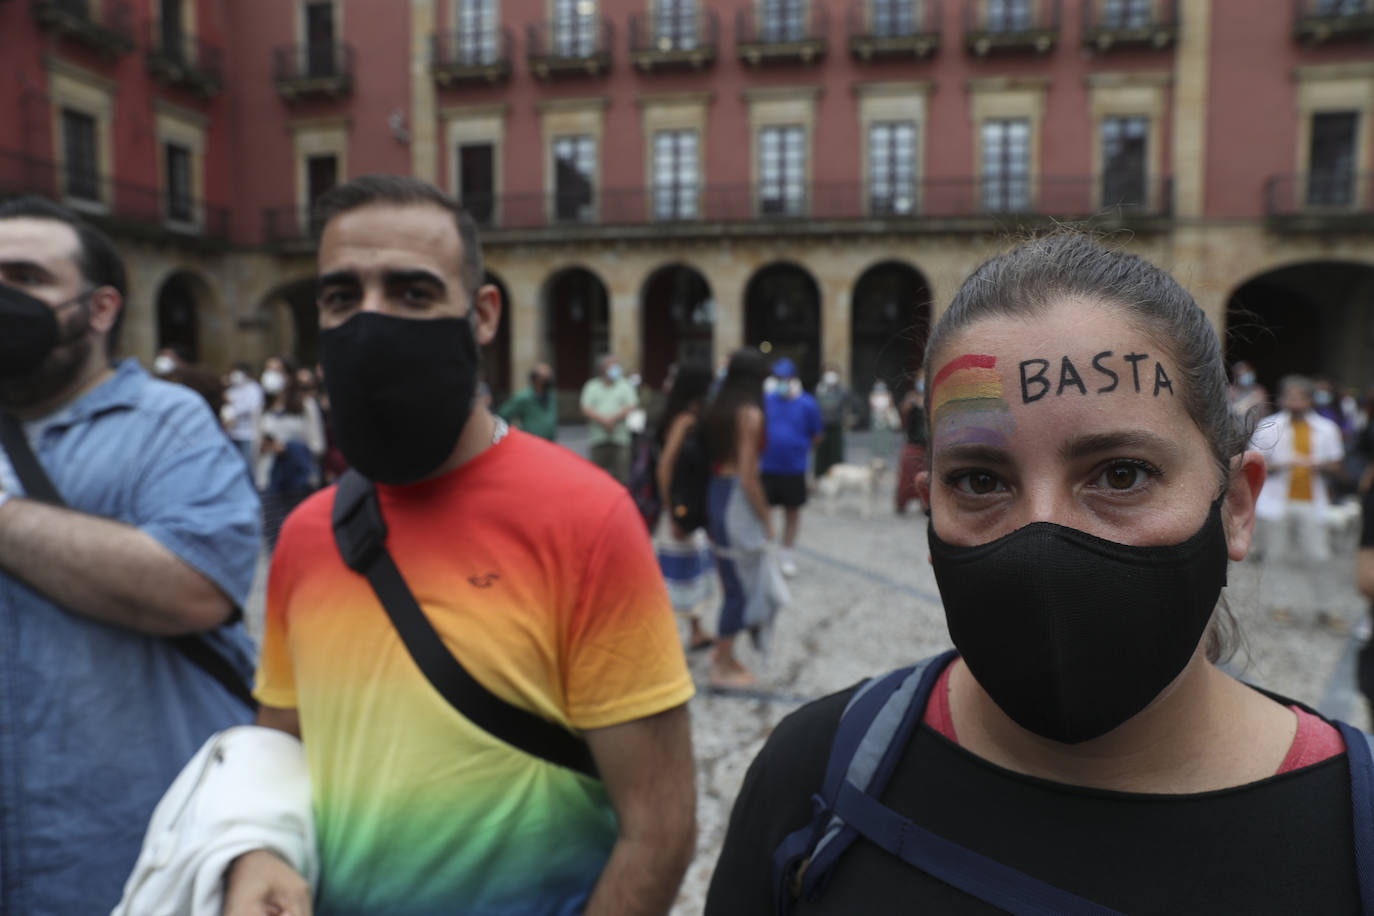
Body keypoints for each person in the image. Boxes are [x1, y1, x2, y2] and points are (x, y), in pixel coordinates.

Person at [707, 232, 1371, 914]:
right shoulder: (814, 775)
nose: (1043, 538)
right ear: (928, 501)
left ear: (1235, 505)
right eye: (979, 480)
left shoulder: (1358, 833)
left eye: (1121, 474)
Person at [224, 176, 696, 915]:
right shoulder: (305, 535)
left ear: (481, 315)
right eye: (342, 296)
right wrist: (256, 851)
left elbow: (659, 826)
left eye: (412, 293)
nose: (370, 320)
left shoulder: (588, 518)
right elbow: (280, 747)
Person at [0, 195, 260, 913]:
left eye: (25, 278)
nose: (4, 297)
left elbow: (194, 588)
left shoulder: (167, 425)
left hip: (131, 856)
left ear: (102, 307)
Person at [702, 349, 777, 690]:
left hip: (717, 492)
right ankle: (721, 665)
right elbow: (749, 475)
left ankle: (725, 654)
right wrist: (765, 516)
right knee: (740, 590)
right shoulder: (749, 413)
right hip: (735, 501)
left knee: (731, 581)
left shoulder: (719, 407)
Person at [1252, 375, 1346, 627]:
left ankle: (1327, 607)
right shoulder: (1269, 426)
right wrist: (1281, 465)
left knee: (1319, 555)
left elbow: (1337, 463)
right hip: (1276, 500)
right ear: (1282, 398)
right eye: (1290, 396)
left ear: (1309, 399)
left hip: (1311, 500)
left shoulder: (1326, 428)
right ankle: (1279, 603)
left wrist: (1318, 464)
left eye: (1300, 396)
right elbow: (1255, 463)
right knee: (1276, 554)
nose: (1295, 401)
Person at [654, 362, 716, 653]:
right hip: (678, 511)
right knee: (673, 574)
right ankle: (664, 639)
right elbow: (665, 466)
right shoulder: (684, 421)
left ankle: (695, 630)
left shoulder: (685, 416)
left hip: (686, 509)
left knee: (692, 570)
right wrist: (672, 509)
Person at [760, 357, 822, 578]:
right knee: (763, 509)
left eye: (783, 378)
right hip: (767, 466)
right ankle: (765, 553)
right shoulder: (766, 399)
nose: (780, 381)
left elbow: (817, 434)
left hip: (794, 468)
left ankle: (787, 554)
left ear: (793, 378)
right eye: (777, 378)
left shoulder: (807, 403)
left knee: (792, 512)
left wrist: (800, 448)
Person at [256, 357, 326, 550]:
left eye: (277, 370)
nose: (271, 375)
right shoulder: (263, 408)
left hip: (298, 479)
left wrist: (289, 448)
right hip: (269, 478)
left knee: (300, 537)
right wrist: (264, 446)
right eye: (267, 370)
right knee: (274, 538)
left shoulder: (306, 406)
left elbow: (317, 445)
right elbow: (255, 446)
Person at [581, 354, 639, 485]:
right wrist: (604, 421)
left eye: (617, 365)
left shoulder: (625, 385)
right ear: (602, 368)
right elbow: (586, 408)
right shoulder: (592, 386)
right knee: (596, 478)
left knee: (622, 478)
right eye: (612, 365)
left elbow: (631, 405)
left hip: (621, 439)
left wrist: (612, 419)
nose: (616, 369)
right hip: (598, 439)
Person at [498, 361, 558, 441]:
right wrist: (512, 434)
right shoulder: (523, 397)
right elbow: (503, 414)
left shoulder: (550, 395)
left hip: (549, 442)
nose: (549, 379)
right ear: (536, 379)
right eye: (544, 376)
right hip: (532, 442)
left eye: (549, 375)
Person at [894, 378, 928, 515]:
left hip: (928, 447)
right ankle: (901, 504)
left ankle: (924, 504)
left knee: (926, 479)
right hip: (912, 444)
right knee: (907, 478)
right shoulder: (911, 401)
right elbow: (903, 418)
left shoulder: (934, 401)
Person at [222, 361, 264, 468]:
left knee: (248, 464)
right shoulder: (231, 389)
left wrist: (234, 413)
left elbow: (251, 407)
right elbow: (226, 407)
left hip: (248, 433)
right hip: (232, 433)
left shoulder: (254, 388)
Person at [813, 364, 851, 478]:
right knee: (821, 453)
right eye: (827, 372)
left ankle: (837, 477)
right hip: (821, 427)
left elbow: (847, 402)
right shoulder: (819, 389)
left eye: (833, 372)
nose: (830, 375)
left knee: (836, 454)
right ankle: (819, 476)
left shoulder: (842, 390)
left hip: (836, 426)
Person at [1228, 359, 1269, 423]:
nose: (1244, 376)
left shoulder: (1259, 391)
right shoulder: (1231, 392)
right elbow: (1232, 411)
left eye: (1246, 372)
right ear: (1235, 377)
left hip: (1259, 426)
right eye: (1240, 375)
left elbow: (1265, 411)